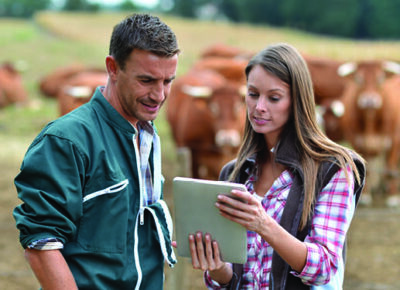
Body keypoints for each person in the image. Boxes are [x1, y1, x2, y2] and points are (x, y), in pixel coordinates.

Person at [13, 13, 180, 289]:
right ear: (113, 67)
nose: (159, 95)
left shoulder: (148, 135)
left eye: (168, 81)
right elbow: (41, 245)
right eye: (147, 80)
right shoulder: (66, 140)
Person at [188, 43, 365, 289]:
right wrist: (217, 267)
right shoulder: (234, 173)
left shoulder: (333, 169)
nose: (259, 107)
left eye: (273, 98)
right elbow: (232, 280)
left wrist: (263, 224)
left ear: (297, 101)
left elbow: (324, 268)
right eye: (252, 94)